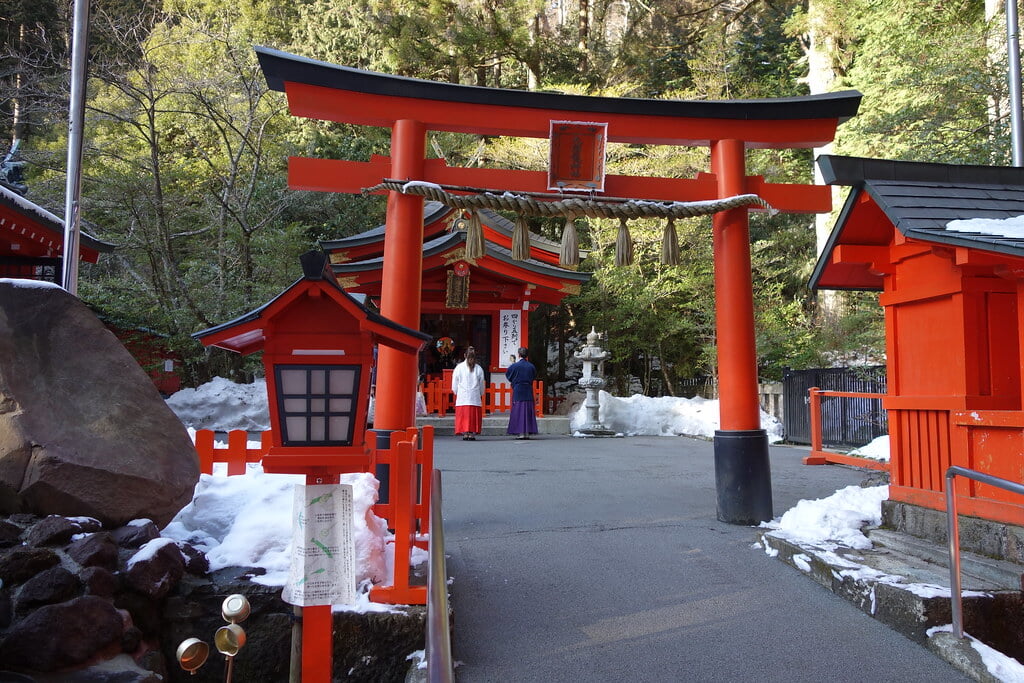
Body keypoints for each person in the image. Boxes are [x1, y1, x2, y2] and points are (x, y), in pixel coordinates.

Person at [451, 346, 485, 440]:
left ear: (464, 355)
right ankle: (472, 433)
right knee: (473, 416)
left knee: (464, 416)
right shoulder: (479, 368)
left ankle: (465, 433)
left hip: (463, 395)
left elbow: (455, 382)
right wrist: (481, 393)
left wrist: (456, 391)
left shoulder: (459, 367)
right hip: (474, 395)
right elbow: (481, 383)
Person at [505, 346, 538, 440]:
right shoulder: (531, 366)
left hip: (518, 389)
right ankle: (527, 432)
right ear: (526, 355)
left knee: (519, 411)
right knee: (527, 410)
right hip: (527, 389)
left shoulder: (514, 366)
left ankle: (520, 433)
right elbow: (534, 376)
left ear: (519, 355)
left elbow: (508, 375)